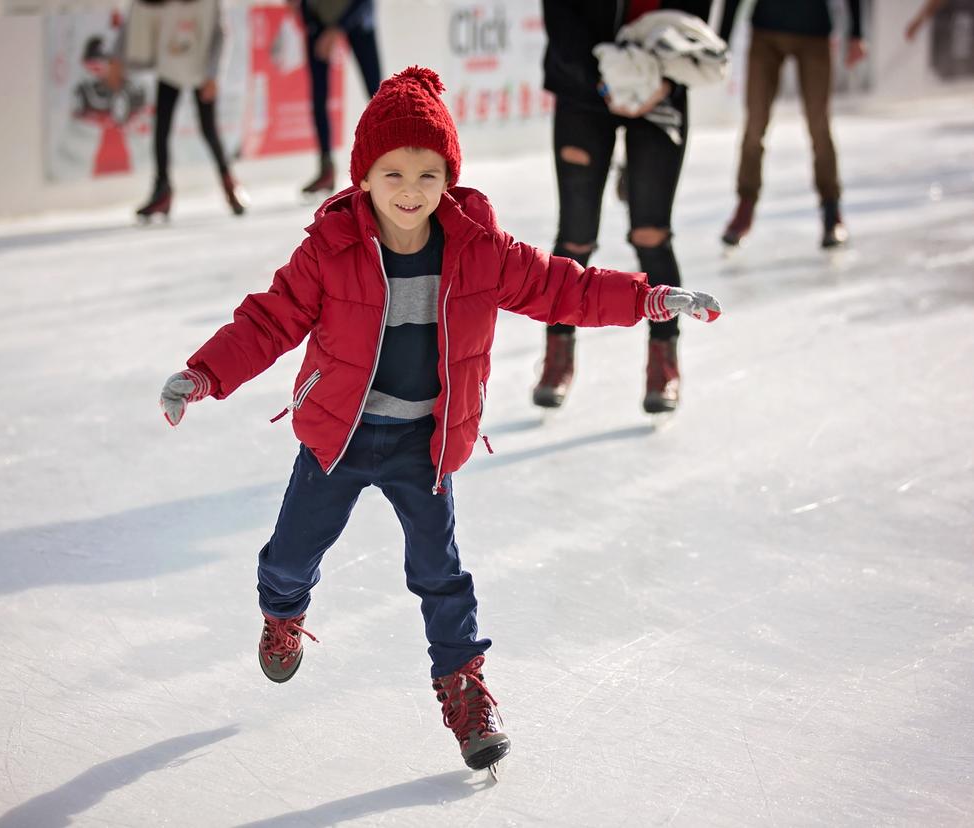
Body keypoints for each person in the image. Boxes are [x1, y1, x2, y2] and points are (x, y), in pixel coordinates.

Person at [157, 67, 721, 772]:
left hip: (425, 443)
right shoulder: (329, 251)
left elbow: (561, 287)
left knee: (441, 573)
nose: (410, 189)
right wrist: (204, 373)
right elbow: (268, 320)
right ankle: (282, 616)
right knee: (289, 557)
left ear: (448, 177)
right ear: (363, 176)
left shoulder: (478, 248)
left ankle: (464, 686)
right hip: (341, 436)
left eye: (429, 173)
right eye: (392, 171)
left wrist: (651, 300)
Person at [534, 0, 719, 415]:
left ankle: (663, 365)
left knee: (651, 233)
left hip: (661, 89)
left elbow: (693, 23)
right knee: (575, 236)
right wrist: (602, 85)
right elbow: (561, 19)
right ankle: (557, 358)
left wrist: (662, 86)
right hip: (581, 90)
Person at [719, 0, 867, 250]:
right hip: (765, 31)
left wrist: (857, 34)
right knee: (755, 124)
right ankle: (744, 207)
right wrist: (721, 39)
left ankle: (831, 211)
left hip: (814, 32)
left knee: (819, 125)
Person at [109, 0, 247, 220]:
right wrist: (116, 59)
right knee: (161, 129)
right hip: (170, 66)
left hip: (201, 69)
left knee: (208, 129)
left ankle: (229, 183)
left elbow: (221, 35)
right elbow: (135, 17)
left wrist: (214, 75)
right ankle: (162, 190)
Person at [288, 0, 382, 196]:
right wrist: (308, 18)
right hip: (319, 18)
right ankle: (326, 167)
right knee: (319, 97)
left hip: (357, 15)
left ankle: (389, 157)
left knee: (377, 96)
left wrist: (337, 29)